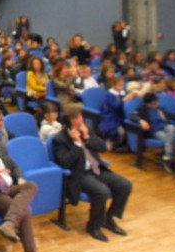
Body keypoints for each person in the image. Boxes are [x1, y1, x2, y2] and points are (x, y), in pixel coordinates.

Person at [53, 104, 132, 242]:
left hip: (96, 169)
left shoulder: (87, 129)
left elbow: (103, 148)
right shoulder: (60, 139)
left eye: (80, 115)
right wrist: (77, 144)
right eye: (77, 117)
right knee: (103, 192)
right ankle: (93, 226)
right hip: (80, 174)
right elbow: (65, 162)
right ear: (69, 120)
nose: (81, 119)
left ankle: (108, 218)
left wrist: (87, 137)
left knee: (125, 185)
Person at [132, 92, 175, 169]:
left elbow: (172, 116)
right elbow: (133, 115)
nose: (156, 104)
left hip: (165, 127)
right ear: (147, 104)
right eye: (153, 103)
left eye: (157, 102)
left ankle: (167, 156)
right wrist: (141, 121)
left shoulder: (160, 109)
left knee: (171, 127)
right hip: (155, 131)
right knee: (170, 139)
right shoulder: (142, 110)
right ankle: (168, 156)